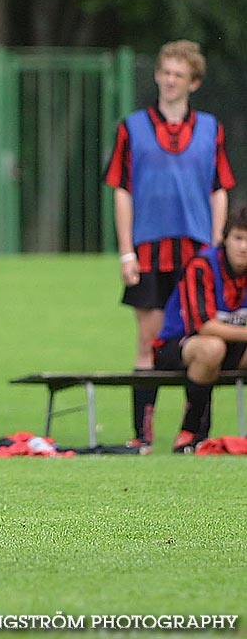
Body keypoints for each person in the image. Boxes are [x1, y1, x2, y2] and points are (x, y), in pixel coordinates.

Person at [104, 39, 235, 452]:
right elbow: (121, 190)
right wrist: (126, 251)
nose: (170, 80)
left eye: (179, 74)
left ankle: (195, 432)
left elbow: (219, 190)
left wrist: (215, 247)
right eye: (165, 72)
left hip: (196, 252)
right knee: (149, 342)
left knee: (201, 339)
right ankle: (142, 436)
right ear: (157, 75)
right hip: (148, 250)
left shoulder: (211, 129)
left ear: (194, 82)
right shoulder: (133, 127)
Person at [154, 204, 247, 452]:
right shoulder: (202, 265)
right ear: (225, 238)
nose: (244, 247)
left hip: (233, 346)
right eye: (238, 238)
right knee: (211, 348)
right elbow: (203, 326)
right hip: (179, 346)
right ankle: (191, 430)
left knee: (217, 348)